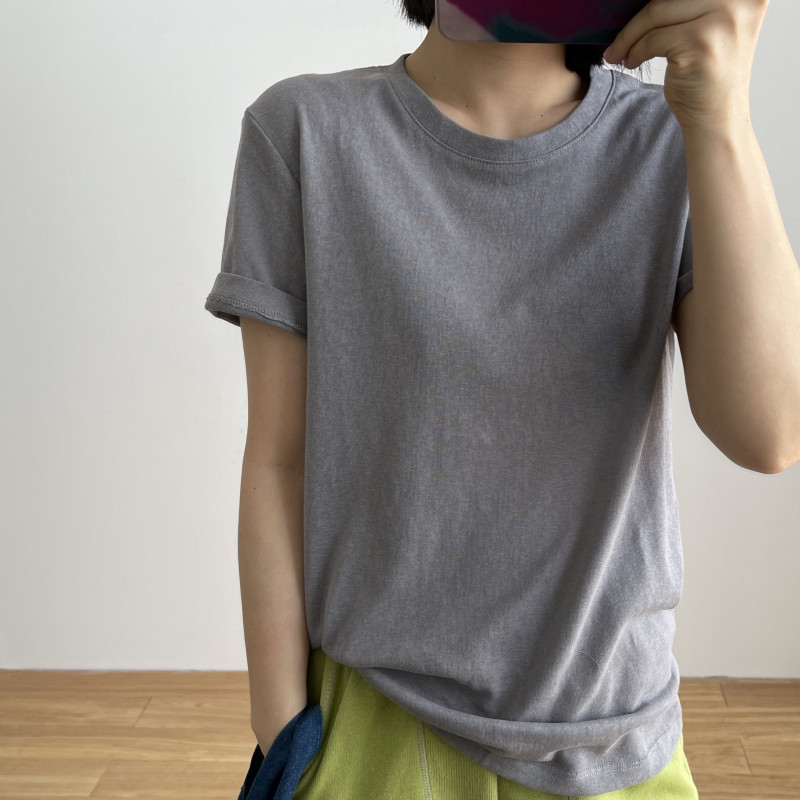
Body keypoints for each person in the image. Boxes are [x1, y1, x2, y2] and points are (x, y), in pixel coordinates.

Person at [204, 3, 702, 799]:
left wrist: (724, 110)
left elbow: (771, 433)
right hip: (371, 726)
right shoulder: (302, 130)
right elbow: (277, 457)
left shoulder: (676, 137)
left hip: (616, 732)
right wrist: (283, 727)